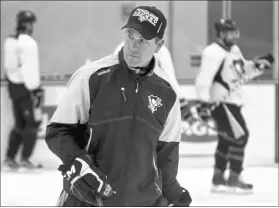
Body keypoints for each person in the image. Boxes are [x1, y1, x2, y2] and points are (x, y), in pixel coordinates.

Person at [45, 6, 192, 206]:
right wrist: (75, 161)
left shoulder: (167, 93)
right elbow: (58, 131)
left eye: (143, 41)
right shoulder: (91, 77)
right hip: (88, 199)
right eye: (131, 36)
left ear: (159, 45)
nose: (133, 46)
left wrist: (174, 194)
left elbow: (167, 154)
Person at [195, 18, 274, 193]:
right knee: (241, 136)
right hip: (220, 102)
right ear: (221, 34)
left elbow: (241, 72)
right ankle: (234, 177)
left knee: (227, 139)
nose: (233, 36)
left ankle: (218, 179)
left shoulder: (234, 50)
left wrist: (257, 66)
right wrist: (203, 102)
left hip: (233, 102)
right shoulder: (212, 52)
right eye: (229, 33)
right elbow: (203, 79)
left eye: (234, 32)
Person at [3, 10, 44, 170]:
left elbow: (10, 68)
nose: (31, 26)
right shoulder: (28, 43)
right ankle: (26, 159)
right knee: (32, 123)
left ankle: (9, 158)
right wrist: (35, 89)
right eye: (30, 23)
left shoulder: (10, 41)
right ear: (27, 24)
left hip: (13, 88)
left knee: (19, 123)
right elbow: (30, 69)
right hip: (26, 88)